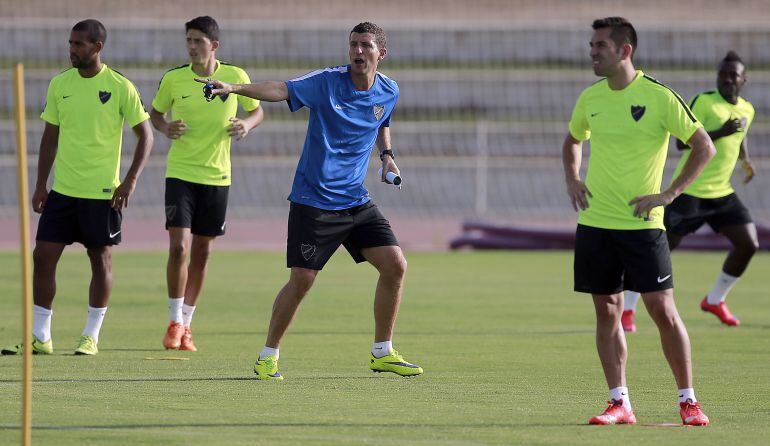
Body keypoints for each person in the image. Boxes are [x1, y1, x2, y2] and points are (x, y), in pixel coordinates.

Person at [198, 22, 422, 379]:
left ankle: (382, 352)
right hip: (314, 200)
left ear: (382, 53)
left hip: (355, 200)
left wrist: (387, 155)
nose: (358, 52)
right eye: (353, 45)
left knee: (396, 265)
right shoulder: (327, 83)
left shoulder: (388, 90)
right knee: (302, 279)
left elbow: (381, 120)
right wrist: (235, 87)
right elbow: (282, 89)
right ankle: (267, 355)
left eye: (366, 45)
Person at [563, 17, 715, 426]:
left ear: (624, 50)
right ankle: (619, 402)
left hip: (643, 226)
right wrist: (573, 178)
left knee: (662, 310)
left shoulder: (660, 97)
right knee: (606, 311)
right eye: (591, 45)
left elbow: (704, 147)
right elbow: (573, 140)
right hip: (596, 224)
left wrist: (668, 195)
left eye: (600, 46)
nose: (592, 52)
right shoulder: (590, 98)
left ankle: (688, 401)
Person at [1, 19, 153, 356]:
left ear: (98, 47)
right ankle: (41, 336)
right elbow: (49, 138)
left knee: (100, 259)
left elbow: (147, 136)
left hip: (102, 194)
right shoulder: (59, 85)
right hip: (63, 192)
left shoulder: (120, 86)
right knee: (43, 256)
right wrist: (41, 184)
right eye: (71, 43)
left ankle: (91, 335)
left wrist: (129, 181)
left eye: (79, 44)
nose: (72, 50)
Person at [150, 16, 264, 352]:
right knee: (179, 247)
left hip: (217, 176)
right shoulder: (173, 79)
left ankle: (187, 324)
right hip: (181, 173)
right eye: (188, 40)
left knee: (203, 251)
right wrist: (164, 127)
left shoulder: (235, 77)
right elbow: (156, 113)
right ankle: (173, 322)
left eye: (198, 40)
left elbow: (257, 110)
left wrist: (246, 124)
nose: (192, 46)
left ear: (214, 45)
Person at [622, 51, 757, 331]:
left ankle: (715, 300)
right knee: (658, 251)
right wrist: (719, 131)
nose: (728, 79)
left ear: (744, 79)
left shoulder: (747, 109)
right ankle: (628, 310)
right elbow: (682, 145)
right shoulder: (705, 102)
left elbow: (739, 136)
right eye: (723, 74)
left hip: (722, 193)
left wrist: (745, 160)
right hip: (690, 191)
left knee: (749, 244)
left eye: (733, 75)